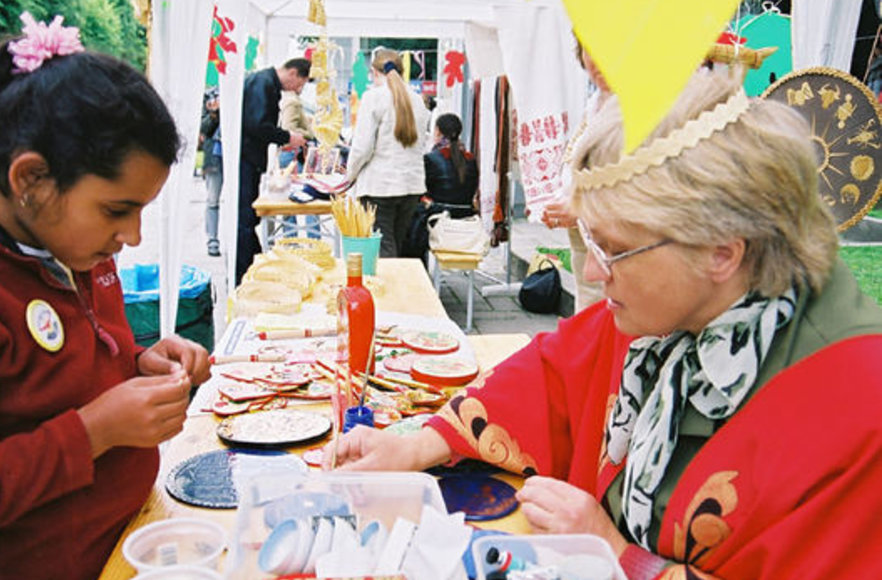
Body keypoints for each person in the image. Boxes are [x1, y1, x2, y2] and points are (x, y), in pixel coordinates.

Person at [329, 68, 882, 579]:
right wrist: (418, 443)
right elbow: (551, 373)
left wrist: (617, 555)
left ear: (722, 252)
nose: (592, 271)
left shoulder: (857, 411)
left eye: (615, 249)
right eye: (592, 241)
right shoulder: (682, 311)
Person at [0, 13, 210, 580]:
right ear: (30, 180)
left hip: (125, 547)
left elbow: (55, 375)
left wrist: (137, 367)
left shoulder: (68, 243)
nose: (132, 237)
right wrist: (95, 430)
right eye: (117, 210)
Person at [542, 39, 611, 313]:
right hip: (588, 250)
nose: (596, 59)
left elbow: (649, 197)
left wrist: (582, 209)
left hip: (622, 262)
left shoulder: (642, 109)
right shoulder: (596, 103)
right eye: (589, 48)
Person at [346, 47, 429, 258]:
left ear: (374, 72)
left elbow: (362, 147)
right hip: (411, 185)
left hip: (379, 186)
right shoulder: (417, 100)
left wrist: (349, 176)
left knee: (382, 249)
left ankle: (387, 290)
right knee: (396, 244)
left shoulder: (373, 97)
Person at [237, 57, 309, 285]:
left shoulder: (265, 82)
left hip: (249, 157)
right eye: (300, 84)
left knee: (248, 217)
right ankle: (244, 273)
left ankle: (253, 264)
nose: (297, 90)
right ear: (293, 73)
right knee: (245, 219)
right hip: (245, 157)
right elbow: (256, 124)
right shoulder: (263, 83)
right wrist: (286, 136)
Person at [404, 112, 479, 262]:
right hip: (465, 217)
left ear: (437, 131)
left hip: (439, 220)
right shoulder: (471, 159)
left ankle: (417, 270)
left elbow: (422, 189)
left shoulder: (431, 158)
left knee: (409, 222)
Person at [277, 88, 319, 238]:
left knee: (289, 200)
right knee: (309, 196)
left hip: (288, 154)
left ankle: (291, 241)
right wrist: (309, 133)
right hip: (294, 154)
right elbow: (288, 129)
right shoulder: (293, 102)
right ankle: (313, 240)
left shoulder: (286, 100)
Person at [200, 88, 223, 256]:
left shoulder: (241, 91)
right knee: (213, 199)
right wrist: (215, 113)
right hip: (214, 155)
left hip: (239, 155)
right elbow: (203, 129)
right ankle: (212, 240)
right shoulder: (208, 97)